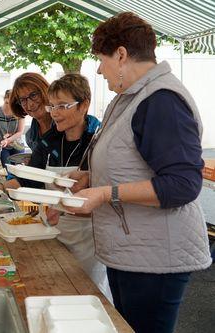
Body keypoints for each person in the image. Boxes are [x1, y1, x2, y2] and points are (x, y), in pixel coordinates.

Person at [64, 12, 212, 333]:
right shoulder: (129, 98)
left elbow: (182, 186)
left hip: (156, 259)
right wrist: (90, 178)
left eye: (101, 60)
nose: (100, 70)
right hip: (131, 253)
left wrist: (105, 193)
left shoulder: (162, 101)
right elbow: (127, 160)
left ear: (121, 54)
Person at [0, 75, 110, 299]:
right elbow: (30, 177)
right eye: (53, 106)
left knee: (90, 294)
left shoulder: (97, 139)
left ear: (84, 105)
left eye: (62, 106)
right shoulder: (48, 140)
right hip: (53, 229)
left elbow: (103, 186)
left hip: (90, 236)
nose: (55, 112)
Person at [9, 73, 52, 152]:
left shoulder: (66, 124)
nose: (30, 104)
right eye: (22, 100)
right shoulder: (30, 137)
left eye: (34, 95)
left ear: (45, 90)